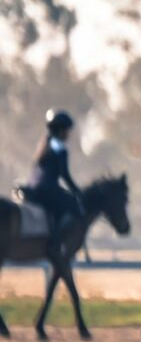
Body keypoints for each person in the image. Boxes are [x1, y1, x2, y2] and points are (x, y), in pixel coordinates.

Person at [24, 109, 85, 258]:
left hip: (33, 187)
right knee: (71, 206)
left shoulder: (44, 145)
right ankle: (55, 243)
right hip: (47, 188)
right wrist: (77, 192)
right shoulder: (60, 148)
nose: (68, 134)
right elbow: (64, 175)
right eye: (67, 130)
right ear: (60, 130)